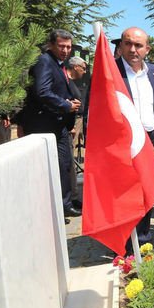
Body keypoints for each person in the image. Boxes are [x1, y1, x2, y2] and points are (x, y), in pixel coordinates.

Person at [116, 27, 154, 246]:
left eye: (138, 45)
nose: (132, 49)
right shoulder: (111, 71)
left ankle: (144, 239)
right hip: (120, 141)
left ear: (147, 49)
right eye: (128, 44)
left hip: (147, 138)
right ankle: (127, 242)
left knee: (147, 189)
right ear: (121, 46)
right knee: (125, 193)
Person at [24, 29, 82, 219]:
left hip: (59, 126)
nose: (66, 50)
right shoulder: (44, 62)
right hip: (45, 126)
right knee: (51, 168)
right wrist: (65, 105)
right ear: (50, 45)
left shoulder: (59, 64)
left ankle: (64, 205)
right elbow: (42, 92)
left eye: (68, 47)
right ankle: (53, 209)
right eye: (61, 46)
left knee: (65, 165)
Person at [65, 56, 87, 210]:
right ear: (75, 67)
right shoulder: (65, 81)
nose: (85, 72)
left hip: (77, 120)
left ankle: (73, 196)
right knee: (69, 160)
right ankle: (70, 198)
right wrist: (70, 125)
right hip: (71, 124)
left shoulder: (72, 82)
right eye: (83, 68)